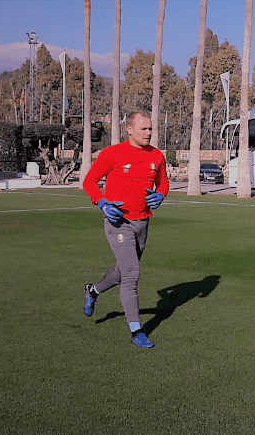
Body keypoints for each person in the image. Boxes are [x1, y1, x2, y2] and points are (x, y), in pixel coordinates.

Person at [82, 110, 170, 348]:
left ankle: (92, 291)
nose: (149, 133)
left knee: (123, 271)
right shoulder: (113, 154)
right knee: (132, 274)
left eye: (150, 128)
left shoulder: (157, 156)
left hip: (143, 222)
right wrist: (101, 202)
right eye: (144, 129)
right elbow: (89, 181)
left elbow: (163, 182)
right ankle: (136, 331)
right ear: (129, 129)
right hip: (118, 222)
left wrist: (160, 195)